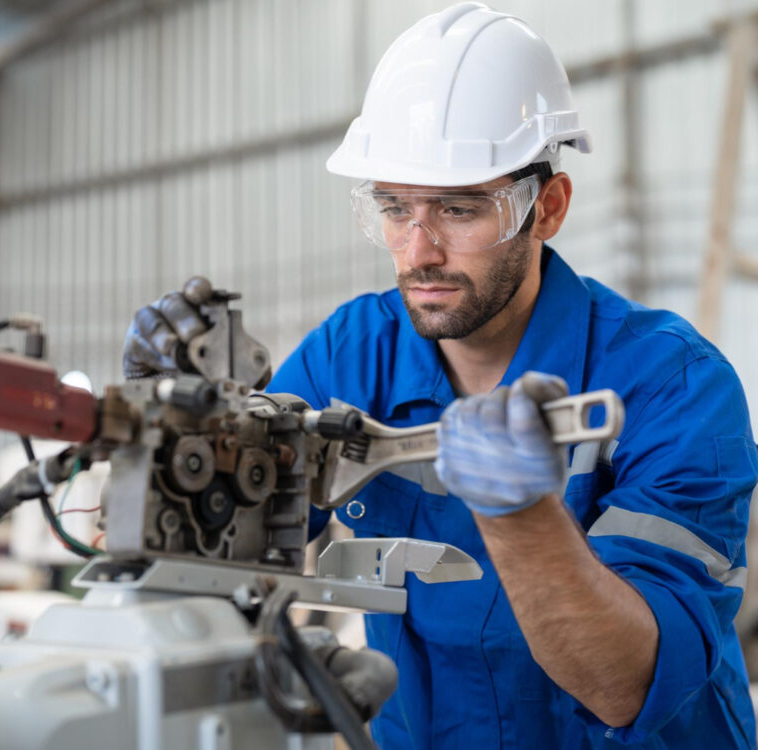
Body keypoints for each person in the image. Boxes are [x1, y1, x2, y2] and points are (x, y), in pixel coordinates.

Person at [122, 3, 758, 747]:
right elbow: (229, 545)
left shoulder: (675, 384)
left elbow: (626, 685)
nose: (418, 251)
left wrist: (521, 517)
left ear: (548, 208)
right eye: (395, 209)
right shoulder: (350, 354)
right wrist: (176, 433)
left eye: (459, 210)